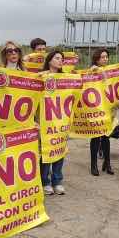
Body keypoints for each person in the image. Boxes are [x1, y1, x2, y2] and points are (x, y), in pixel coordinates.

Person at [39, 50, 67, 195]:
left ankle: (57, 180)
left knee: (59, 150)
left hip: (61, 120)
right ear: (49, 60)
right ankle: (45, 181)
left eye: (62, 59)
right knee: (46, 151)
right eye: (57, 58)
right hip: (45, 120)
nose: (60, 60)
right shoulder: (41, 76)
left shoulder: (65, 78)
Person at [89, 49, 114, 176]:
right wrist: (95, 70)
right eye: (102, 57)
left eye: (106, 57)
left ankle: (107, 163)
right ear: (97, 59)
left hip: (107, 108)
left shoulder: (111, 70)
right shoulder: (92, 70)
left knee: (106, 137)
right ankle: (93, 165)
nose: (105, 59)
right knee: (95, 137)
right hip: (95, 108)